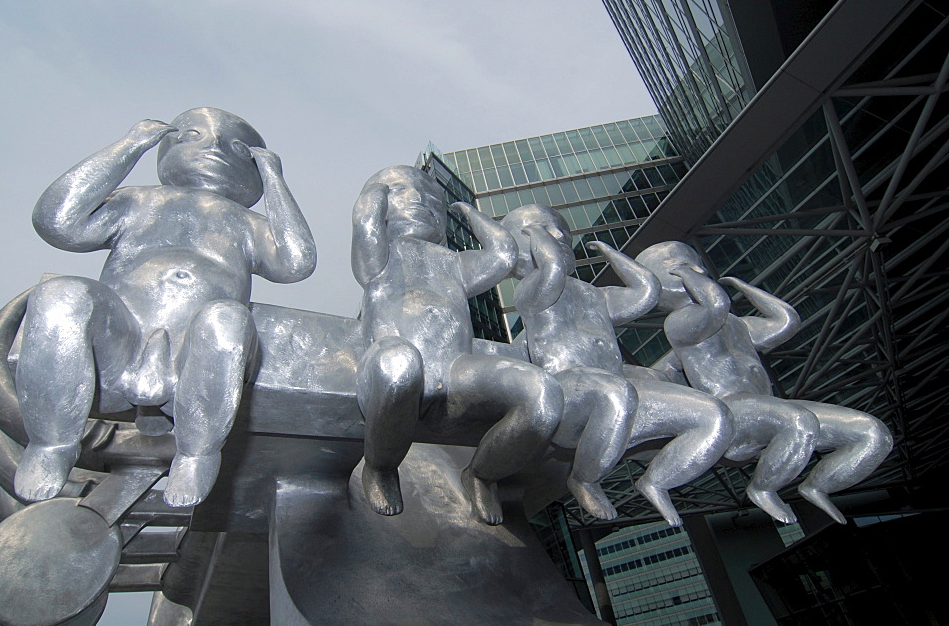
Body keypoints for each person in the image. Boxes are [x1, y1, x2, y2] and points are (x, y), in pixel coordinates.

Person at [14, 108, 316, 507]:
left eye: (236, 148)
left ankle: (196, 453)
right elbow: (57, 221)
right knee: (62, 294)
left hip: (194, 361)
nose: (212, 147)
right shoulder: (138, 201)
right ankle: (52, 443)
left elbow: (296, 262)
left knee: (227, 318)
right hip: (118, 346)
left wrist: (275, 178)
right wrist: (130, 144)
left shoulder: (247, 224)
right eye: (192, 135)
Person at [352, 166, 563, 525]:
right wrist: (375, 195)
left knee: (542, 395)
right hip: (391, 360)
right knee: (401, 365)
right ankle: (381, 466)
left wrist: (468, 211)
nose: (417, 199)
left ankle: (482, 474)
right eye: (400, 192)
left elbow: (502, 255)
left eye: (429, 197)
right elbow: (367, 229)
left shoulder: (455, 264)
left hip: (455, 367)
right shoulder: (382, 254)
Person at [502, 206, 733, 526]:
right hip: (570, 392)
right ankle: (584, 478)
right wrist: (539, 235)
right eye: (542, 229)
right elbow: (553, 268)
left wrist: (611, 253)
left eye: (562, 233)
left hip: (616, 390)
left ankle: (657, 481)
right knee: (617, 391)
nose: (559, 237)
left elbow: (646, 292)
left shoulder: (598, 296)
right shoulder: (531, 290)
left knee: (715, 415)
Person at [636, 241, 893, 523]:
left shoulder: (736, 325)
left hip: (766, 406)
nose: (695, 269)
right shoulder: (679, 322)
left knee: (872, 433)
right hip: (733, 409)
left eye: (691, 263)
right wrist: (688, 274)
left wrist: (743, 286)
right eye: (674, 266)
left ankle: (818, 485)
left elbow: (785, 322)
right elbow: (716, 306)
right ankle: (763, 488)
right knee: (798, 420)